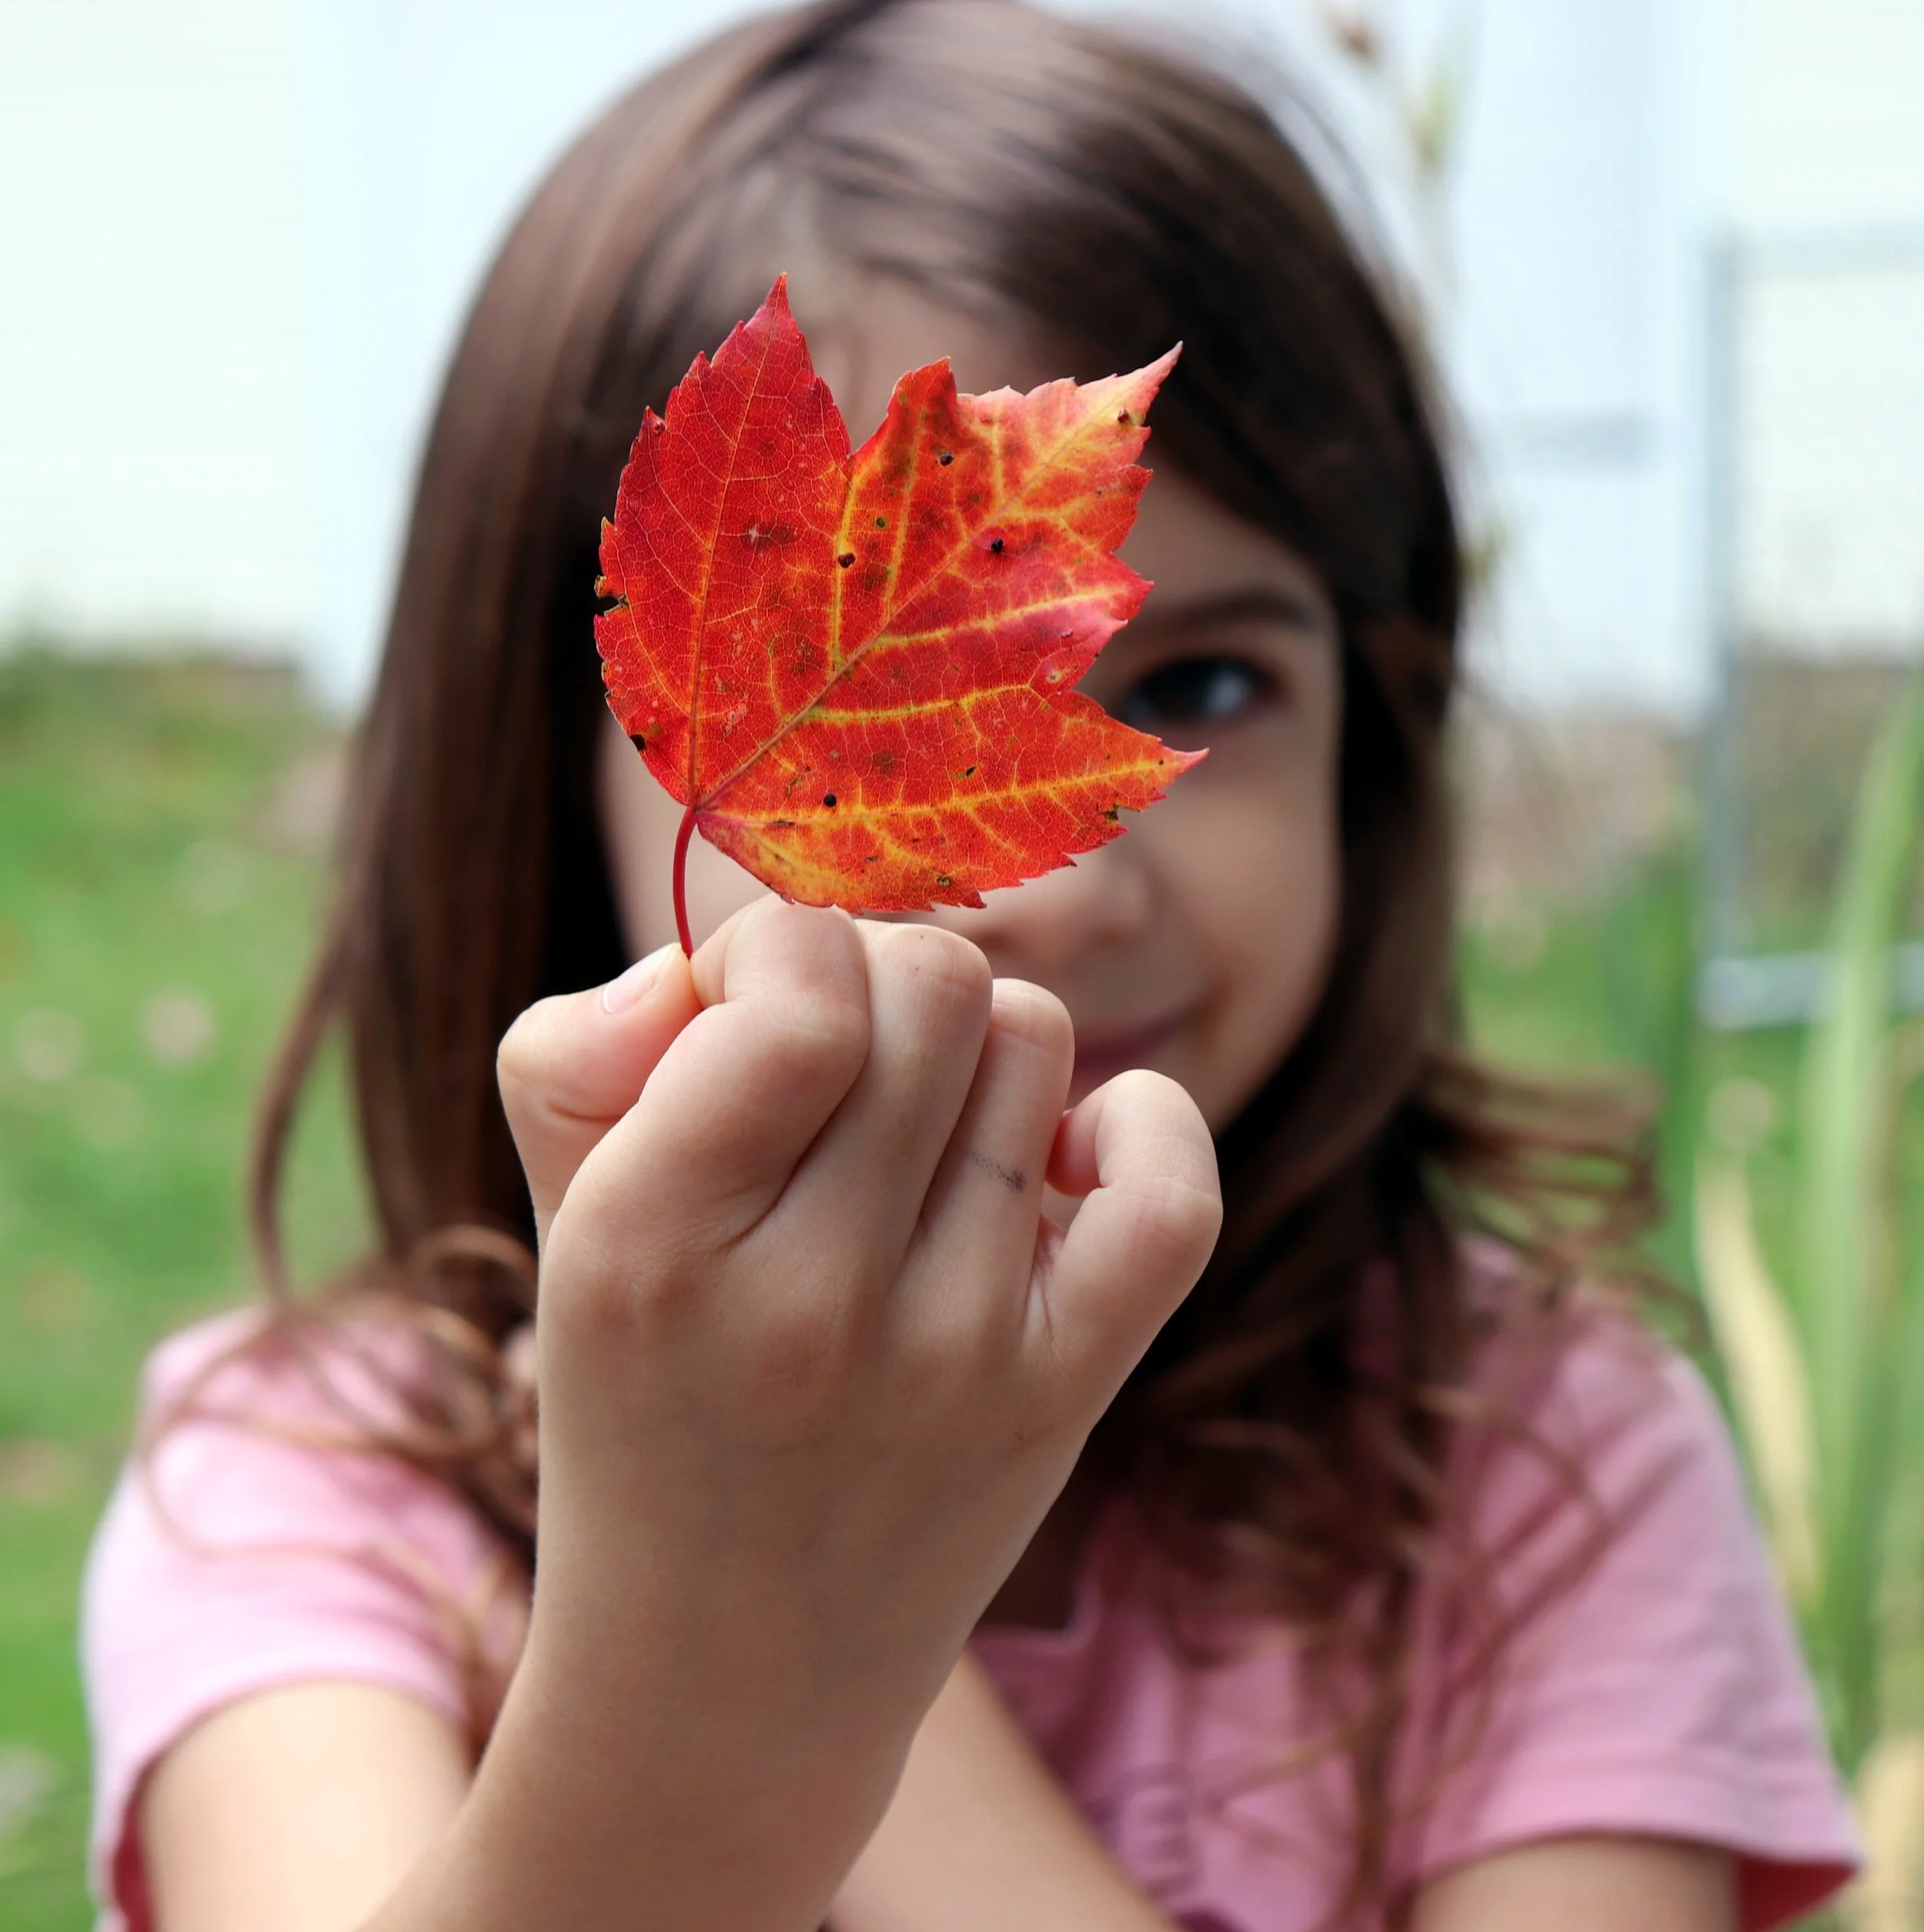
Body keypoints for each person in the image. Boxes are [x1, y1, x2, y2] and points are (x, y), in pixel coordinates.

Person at [82, 2, 1860, 1927]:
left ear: (1379, 721)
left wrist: (863, 1653)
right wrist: (711, 1661)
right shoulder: (314, 1490)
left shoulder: (1551, 1475)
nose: (1061, 895)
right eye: (882, 747)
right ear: (545, 755)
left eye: (1198, 685)